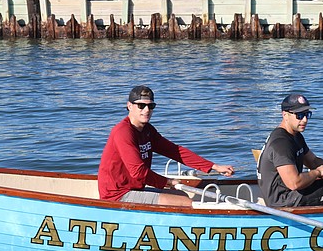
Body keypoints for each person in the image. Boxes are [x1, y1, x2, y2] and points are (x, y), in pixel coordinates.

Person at [98, 86, 235, 206]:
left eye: (150, 106)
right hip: (117, 195)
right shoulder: (123, 132)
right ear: (129, 106)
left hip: (135, 189)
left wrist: (213, 166)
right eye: (141, 106)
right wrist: (168, 182)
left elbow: (175, 151)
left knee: (182, 195)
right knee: (186, 203)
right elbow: (139, 173)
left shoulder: (147, 130)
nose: (146, 110)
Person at [257, 93, 323, 207]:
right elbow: (294, 183)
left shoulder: (296, 136)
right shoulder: (281, 143)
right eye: (299, 115)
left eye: (307, 114)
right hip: (285, 201)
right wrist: (317, 172)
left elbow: (313, 161)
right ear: (285, 115)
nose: (305, 120)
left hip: (294, 193)